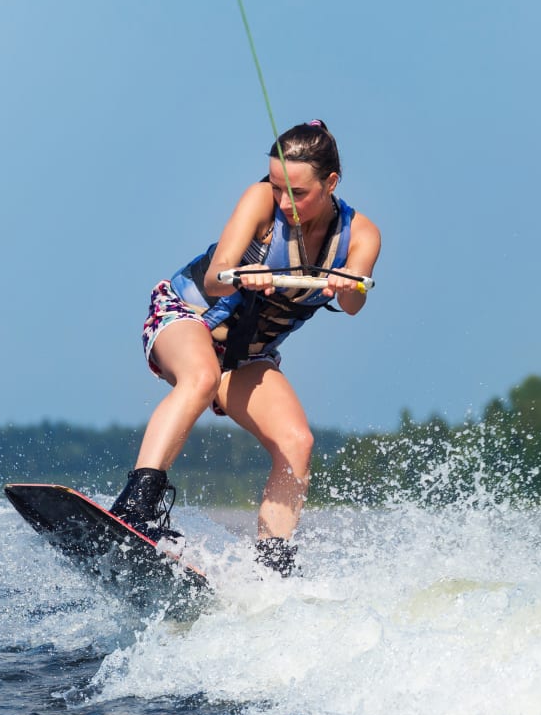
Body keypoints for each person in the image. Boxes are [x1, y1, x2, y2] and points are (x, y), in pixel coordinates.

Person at [110, 119, 381, 576]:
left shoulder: (362, 235)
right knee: (200, 378)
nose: (284, 202)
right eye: (277, 187)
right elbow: (216, 277)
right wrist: (244, 273)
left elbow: (353, 304)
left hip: (247, 353)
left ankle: (271, 568)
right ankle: (134, 509)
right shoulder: (260, 202)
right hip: (188, 317)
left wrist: (344, 283)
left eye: (297, 192)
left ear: (331, 182)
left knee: (297, 441)